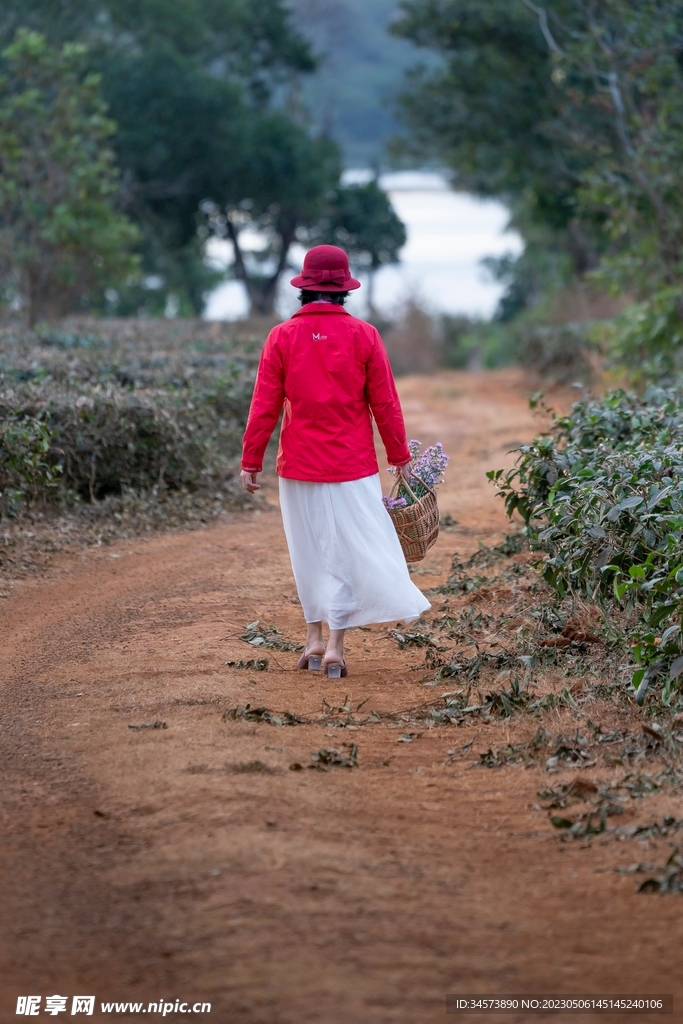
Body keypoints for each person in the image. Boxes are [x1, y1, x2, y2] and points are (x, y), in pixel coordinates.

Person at [240, 244, 430, 677]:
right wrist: (399, 456)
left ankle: (312, 640)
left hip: (299, 466)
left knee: (308, 552)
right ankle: (336, 649)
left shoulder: (281, 337)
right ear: (343, 290)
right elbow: (385, 403)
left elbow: (264, 405)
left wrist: (251, 459)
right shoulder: (364, 336)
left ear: (304, 289)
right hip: (353, 467)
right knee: (344, 552)